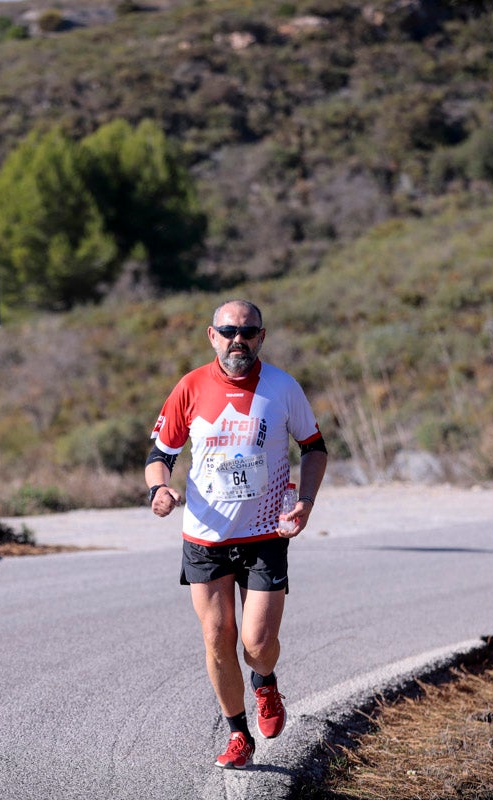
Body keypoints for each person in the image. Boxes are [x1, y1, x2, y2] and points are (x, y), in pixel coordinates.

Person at [145, 299, 328, 770]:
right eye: (228, 331)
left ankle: (265, 683)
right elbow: (159, 454)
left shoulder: (283, 387)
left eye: (248, 331)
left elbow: (314, 448)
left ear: (261, 336)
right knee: (217, 638)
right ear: (212, 336)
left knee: (257, 645)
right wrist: (158, 491)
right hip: (205, 537)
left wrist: (305, 502)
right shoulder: (190, 387)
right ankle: (238, 734)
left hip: (266, 533)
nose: (237, 339)